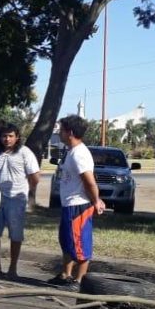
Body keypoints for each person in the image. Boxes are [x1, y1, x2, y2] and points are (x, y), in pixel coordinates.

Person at [49, 115, 105, 290]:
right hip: (69, 204)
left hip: (78, 205)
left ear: (70, 132)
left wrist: (96, 201)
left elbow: (89, 180)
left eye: (61, 130)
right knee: (67, 241)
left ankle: (79, 281)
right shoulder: (70, 151)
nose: (59, 133)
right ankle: (66, 274)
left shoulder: (79, 154)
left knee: (79, 244)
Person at [0, 123, 40, 278]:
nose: (7, 139)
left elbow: (35, 176)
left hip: (17, 199)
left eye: (10, 136)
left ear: (17, 137)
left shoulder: (24, 152)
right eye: (4, 136)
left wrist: (26, 191)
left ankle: (13, 268)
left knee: (15, 234)